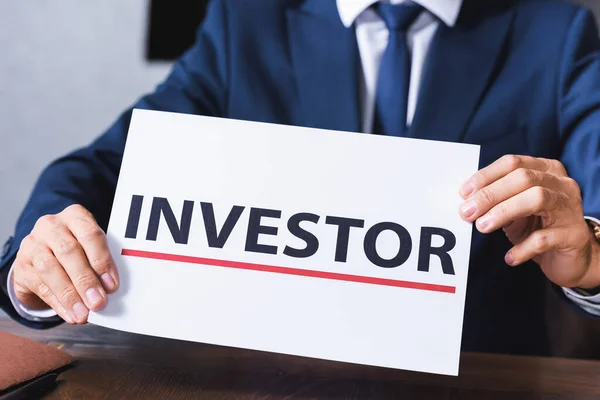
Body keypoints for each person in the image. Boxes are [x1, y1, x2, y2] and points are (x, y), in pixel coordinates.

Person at [2, 0, 600, 356]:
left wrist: (591, 260)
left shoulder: (557, 33)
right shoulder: (246, 24)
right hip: (268, 374)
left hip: (481, 374)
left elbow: (593, 209)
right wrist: (41, 257)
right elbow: (104, 165)